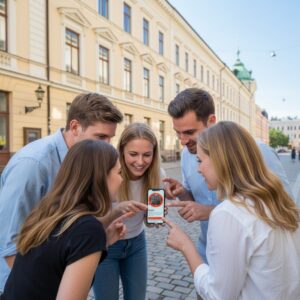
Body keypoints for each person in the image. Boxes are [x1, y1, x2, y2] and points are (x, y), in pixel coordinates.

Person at [0, 93, 123, 292]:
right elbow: (10, 245)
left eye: (110, 138)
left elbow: (63, 234)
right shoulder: (34, 165)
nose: (107, 145)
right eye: (101, 137)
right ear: (75, 127)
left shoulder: (82, 162)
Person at [165, 121, 300, 300]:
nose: (198, 169)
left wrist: (186, 246)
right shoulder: (277, 200)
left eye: (200, 160)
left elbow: (217, 295)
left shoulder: (228, 213)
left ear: (221, 160)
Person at [163, 88, 295, 267]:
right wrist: (183, 193)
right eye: (178, 132)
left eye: (189, 132)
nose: (183, 141)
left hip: (253, 264)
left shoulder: (257, 151)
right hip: (208, 256)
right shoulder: (187, 155)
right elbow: (196, 201)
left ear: (211, 121)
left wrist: (211, 211)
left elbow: (286, 208)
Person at [93, 123, 165, 300]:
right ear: (122, 150)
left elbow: (151, 221)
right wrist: (117, 210)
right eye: (133, 154)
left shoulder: (158, 175)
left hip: (136, 245)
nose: (140, 162)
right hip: (106, 245)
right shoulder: (108, 175)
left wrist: (157, 215)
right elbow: (90, 222)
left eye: (147, 155)